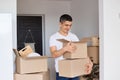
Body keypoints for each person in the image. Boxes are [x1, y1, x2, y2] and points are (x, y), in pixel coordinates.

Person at [49, 14, 93, 80]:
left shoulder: (73, 36)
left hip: (75, 69)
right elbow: (53, 54)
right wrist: (65, 49)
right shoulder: (53, 37)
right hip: (62, 72)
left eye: (70, 25)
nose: (68, 28)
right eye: (66, 25)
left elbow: (81, 52)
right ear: (60, 24)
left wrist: (90, 62)